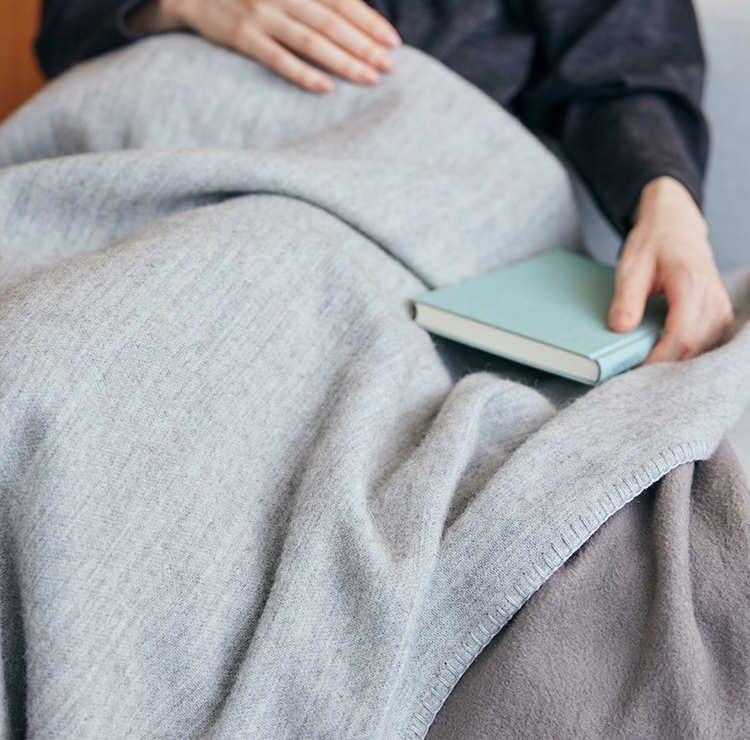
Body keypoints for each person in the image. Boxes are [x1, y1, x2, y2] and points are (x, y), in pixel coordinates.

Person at [36, 0, 735, 365]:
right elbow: (63, 26)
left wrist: (667, 201)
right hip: (152, 138)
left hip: (400, 184)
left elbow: (627, 62)